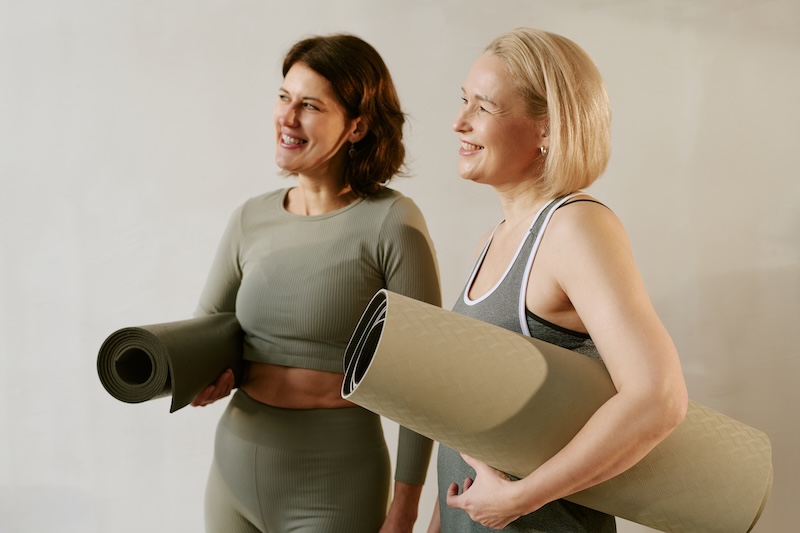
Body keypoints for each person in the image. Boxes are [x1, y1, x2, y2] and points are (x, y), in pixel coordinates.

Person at [427, 28, 688, 532]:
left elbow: (658, 397)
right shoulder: (494, 238)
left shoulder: (575, 227)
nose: (458, 121)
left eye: (482, 107)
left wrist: (519, 499)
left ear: (547, 128)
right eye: (463, 101)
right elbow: (463, 427)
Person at [191, 33, 441, 533]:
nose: (286, 117)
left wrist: (405, 508)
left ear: (357, 126)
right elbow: (205, 333)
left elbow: (424, 381)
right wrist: (196, 378)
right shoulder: (250, 218)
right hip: (234, 468)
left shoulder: (393, 222)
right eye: (284, 97)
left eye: (309, 105)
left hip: (334, 478)